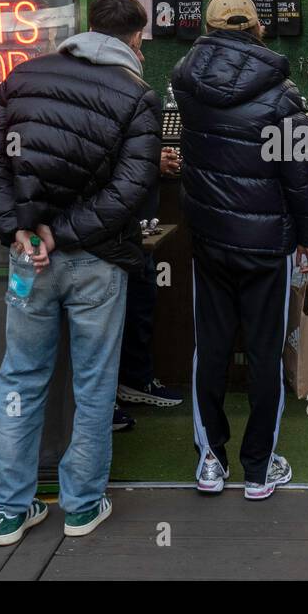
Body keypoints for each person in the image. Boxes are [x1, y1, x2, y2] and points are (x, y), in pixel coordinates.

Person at [0, 0, 162, 546]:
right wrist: (68, 233)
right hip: (96, 261)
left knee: (21, 377)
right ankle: (80, 507)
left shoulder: (22, 77)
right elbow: (131, 189)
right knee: (94, 382)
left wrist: (19, 231)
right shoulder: (138, 97)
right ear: (135, 40)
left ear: (84, 32)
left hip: (27, 260)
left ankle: (7, 510)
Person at [172, 0, 308, 500]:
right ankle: (258, 469)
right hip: (265, 244)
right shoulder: (283, 94)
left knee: (209, 351)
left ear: (208, 28)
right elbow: (299, 173)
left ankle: (210, 462)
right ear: (257, 27)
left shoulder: (186, 85)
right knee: (264, 353)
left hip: (211, 240)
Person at [114, 145, 185, 420]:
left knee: (139, 301)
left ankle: (133, 381)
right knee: (109, 317)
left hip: (132, 228)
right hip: (113, 230)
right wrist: (149, 162)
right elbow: (104, 157)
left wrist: (153, 161)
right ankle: (103, 405)